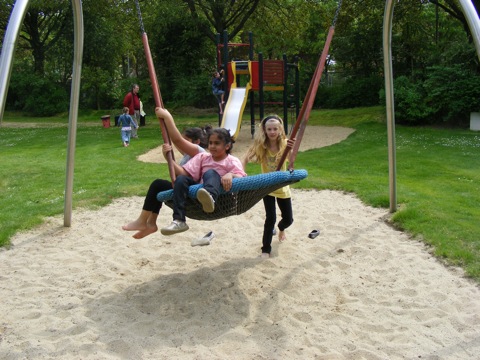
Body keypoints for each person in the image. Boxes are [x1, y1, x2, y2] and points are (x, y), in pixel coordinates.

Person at [122, 107, 212, 239]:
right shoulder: (190, 155)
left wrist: (167, 117)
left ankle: (143, 221)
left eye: (186, 140)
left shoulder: (200, 152)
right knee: (158, 187)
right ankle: (150, 223)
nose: (183, 144)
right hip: (187, 188)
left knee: (157, 184)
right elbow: (176, 141)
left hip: (193, 191)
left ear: (196, 142)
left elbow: (177, 142)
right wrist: (164, 126)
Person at [161, 128, 247, 235]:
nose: (212, 146)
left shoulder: (231, 161)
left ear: (227, 146)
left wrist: (231, 175)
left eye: (217, 143)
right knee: (181, 179)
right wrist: (169, 159)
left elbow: (243, 180)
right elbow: (184, 173)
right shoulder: (203, 157)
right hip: (201, 199)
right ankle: (179, 220)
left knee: (211, 172)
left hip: (223, 200)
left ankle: (210, 196)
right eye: (210, 143)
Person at [242, 114, 295, 258]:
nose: (272, 132)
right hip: (267, 187)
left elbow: (291, 162)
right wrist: (241, 171)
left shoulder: (285, 143)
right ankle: (265, 249)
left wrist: (291, 149)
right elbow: (246, 157)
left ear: (279, 130)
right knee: (270, 218)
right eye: (269, 129)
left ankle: (281, 228)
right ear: (265, 130)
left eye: (275, 129)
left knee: (288, 219)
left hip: (282, 187)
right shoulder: (261, 146)